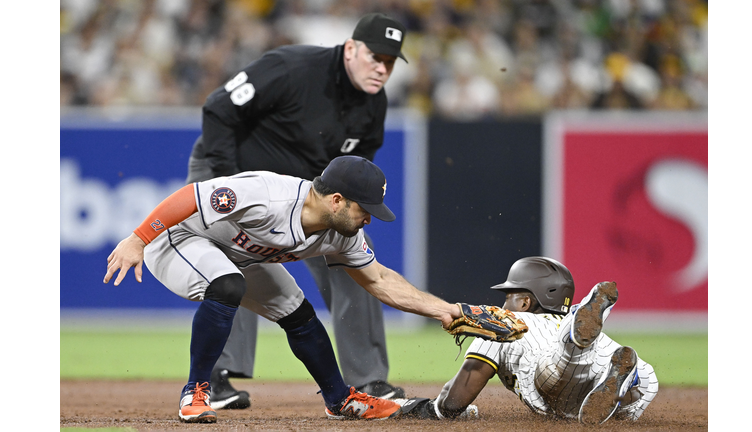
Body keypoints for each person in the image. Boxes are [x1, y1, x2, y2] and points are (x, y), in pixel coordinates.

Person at [103, 155, 469, 423]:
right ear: (336, 200)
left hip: (236, 256)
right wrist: (137, 239)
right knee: (228, 284)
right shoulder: (269, 196)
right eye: (365, 208)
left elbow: (379, 280)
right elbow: (190, 197)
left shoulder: (342, 234)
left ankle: (340, 401)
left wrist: (443, 309)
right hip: (178, 238)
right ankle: (195, 392)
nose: (369, 218)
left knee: (298, 312)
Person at [184, 12, 409, 408]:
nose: (381, 68)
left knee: (354, 251)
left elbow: (355, 175)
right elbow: (218, 108)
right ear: (351, 48)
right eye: (375, 56)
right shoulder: (292, 68)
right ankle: (214, 379)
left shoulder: (374, 105)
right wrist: (229, 186)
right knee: (233, 256)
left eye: (390, 62)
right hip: (233, 174)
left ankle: (369, 379)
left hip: (306, 196)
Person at [394, 256, 658, 425]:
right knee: (621, 396)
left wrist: (431, 408)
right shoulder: (582, 330)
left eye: (509, 295)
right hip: (619, 362)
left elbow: (455, 401)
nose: (504, 303)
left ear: (524, 302)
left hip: (560, 379)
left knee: (555, 371)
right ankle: (629, 383)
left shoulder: (506, 322)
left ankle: (574, 345)